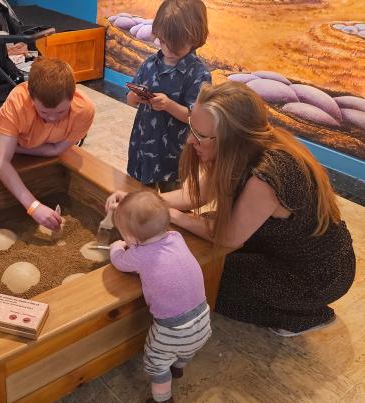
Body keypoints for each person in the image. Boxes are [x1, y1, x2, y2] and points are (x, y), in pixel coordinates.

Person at [107, 81, 356, 337]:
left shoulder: (268, 175)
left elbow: (228, 236)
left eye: (201, 136)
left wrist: (169, 215)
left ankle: (307, 316)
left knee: (207, 285)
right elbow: (197, 195)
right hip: (274, 245)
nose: (191, 140)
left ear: (232, 139)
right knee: (201, 263)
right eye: (192, 126)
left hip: (317, 274)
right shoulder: (237, 152)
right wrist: (142, 202)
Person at [109, 191, 210, 403]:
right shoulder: (176, 237)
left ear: (132, 238)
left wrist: (117, 246)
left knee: (155, 363)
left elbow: (119, 262)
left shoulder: (139, 254)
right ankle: (178, 369)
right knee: (185, 350)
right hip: (203, 319)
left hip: (172, 329)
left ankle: (163, 399)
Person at [0, 58, 95, 231]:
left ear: (73, 95)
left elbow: (56, 150)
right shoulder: (17, 103)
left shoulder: (84, 109)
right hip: (13, 138)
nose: (53, 118)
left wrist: (18, 149)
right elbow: (0, 162)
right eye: (44, 112)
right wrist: (33, 206)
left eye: (61, 111)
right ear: (31, 98)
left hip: (27, 146)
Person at [126, 0, 210, 192]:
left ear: (195, 38)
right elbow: (129, 100)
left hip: (174, 154)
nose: (168, 50)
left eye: (176, 45)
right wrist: (135, 96)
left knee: (172, 202)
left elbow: (197, 119)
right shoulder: (149, 63)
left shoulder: (198, 74)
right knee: (139, 197)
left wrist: (169, 105)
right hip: (143, 146)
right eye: (163, 42)